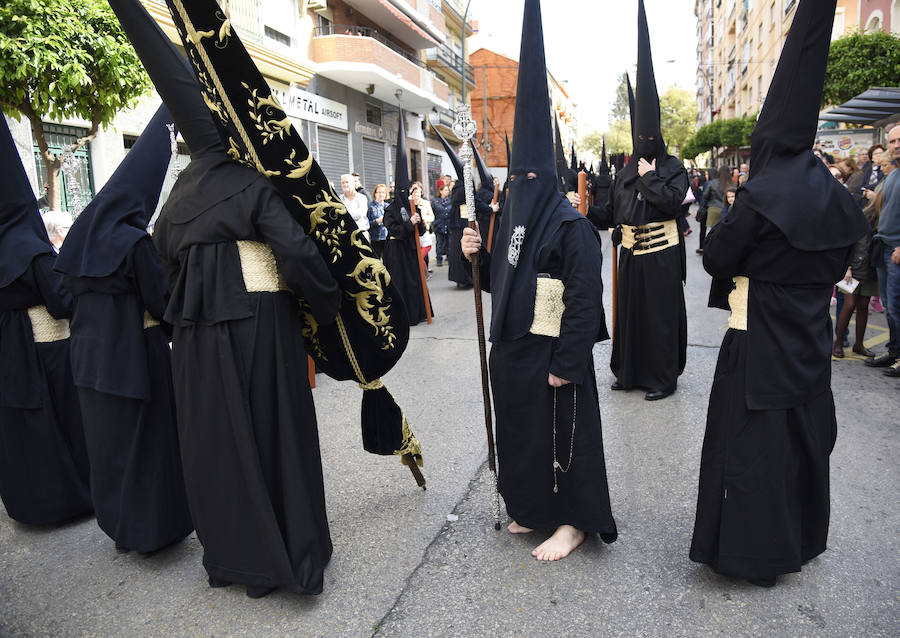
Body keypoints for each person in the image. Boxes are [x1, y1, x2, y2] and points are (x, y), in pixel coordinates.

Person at [110, 0, 341, 597]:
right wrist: (327, 302)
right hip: (259, 326)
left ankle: (234, 561)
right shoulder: (251, 181)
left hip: (193, 339)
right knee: (273, 433)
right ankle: (287, 556)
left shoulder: (178, 196)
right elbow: (295, 251)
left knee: (216, 443)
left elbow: (159, 263)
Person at [690, 0, 870, 587]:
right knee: (799, 440)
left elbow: (716, 255)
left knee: (750, 448)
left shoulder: (762, 196)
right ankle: (796, 541)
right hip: (810, 340)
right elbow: (847, 256)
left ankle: (750, 555)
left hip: (758, 338)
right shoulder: (840, 199)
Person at [461, 0, 616, 561]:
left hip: (552, 351)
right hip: (511, 350)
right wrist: (475, 254)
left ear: (545, 176)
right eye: (516, 176)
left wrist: (568, 363)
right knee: (523, 438)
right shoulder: (509, 217)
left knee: (564, 440)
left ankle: (572, 522)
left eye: (531, 175)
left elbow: (583, 298)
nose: (521, 182)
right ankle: (530, 506)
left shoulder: (572, 225)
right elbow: (498, 284)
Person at [53, 105, 193, 554]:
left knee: (107, 446)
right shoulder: (133, 241)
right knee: (147, 445)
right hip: (136, 356)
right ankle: (152, 531)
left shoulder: (78, 235)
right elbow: (160, 300)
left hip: (87, 359)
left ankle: (119, 528)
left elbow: (65, 294)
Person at [0, 112, 92, 525]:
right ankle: (70, 499)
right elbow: (60, 302)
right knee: (60, 420)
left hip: (9, 345)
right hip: (45, 345)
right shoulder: (28, 245)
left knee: (21, 423)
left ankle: (27, 505)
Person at [599, 0, 690, 401]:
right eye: (639, 141)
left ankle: (662, 379)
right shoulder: (624, 171)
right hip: (632, 255)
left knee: (659, 320)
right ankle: (630, 373)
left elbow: (673, 203)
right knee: (631, 318)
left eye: (649, 140)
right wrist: (592, 212)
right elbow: (614, 211)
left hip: (663, 254)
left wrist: (649, 176)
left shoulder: (671, 166)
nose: (644, 145)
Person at [382, 113, 432, 326]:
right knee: (401, 284)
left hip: (411, 250)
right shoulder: (391, 209)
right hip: (396, 252)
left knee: (415, 283)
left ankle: (420, 313)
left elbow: (420, 231)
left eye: (406, 189)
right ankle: (404, 317)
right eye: (400, 190)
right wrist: (407, 223)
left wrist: (418, 222)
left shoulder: (413, 205)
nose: (404, 193)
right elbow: (393, 230)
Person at [864, 124, 900, 377]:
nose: (897, 144)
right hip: (884, 246)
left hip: (897, 249)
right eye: (893, 141)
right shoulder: (894, 175)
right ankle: (894, 351)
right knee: (889, 304)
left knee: (897, 305)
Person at [696, 166, 729, 254]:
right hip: (726, 208)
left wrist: (701, 209)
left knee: (711, 231)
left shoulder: (712, 183)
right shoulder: (730, 183)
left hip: (713, 208)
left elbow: (705, 196)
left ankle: (710, 248)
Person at [340, 173, 369, 240]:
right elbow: (339, 216)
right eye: (342, 183)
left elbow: (359, 215)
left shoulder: (362, 198)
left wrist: (345, 214)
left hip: (361, 233)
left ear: (353, 183)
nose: (344, 185)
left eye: (347, 182)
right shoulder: (339, 199)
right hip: (345, 234)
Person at [366, 183, 389, 258]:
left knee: (388, 262)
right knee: (376, 262)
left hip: (387, 238)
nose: (381, 194)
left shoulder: (388, 206)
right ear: (375, 194)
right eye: (379, 192)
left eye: (383, 192)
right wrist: (377, 221)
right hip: (376, 239)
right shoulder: (370, 206)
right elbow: (366, 224)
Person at [432, 182, 451, 266]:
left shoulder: (450, 200)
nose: (447, 191)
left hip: (449, 224)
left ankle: (449, 258)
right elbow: (433, 212)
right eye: (446, 190)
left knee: (449, 242)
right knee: (439, 243)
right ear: (441, 191)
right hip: (439, 225)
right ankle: (439, 259)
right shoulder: (435, 201)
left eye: (448, 190)